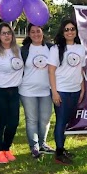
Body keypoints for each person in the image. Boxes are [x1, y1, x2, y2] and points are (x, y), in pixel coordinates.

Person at [48, 18, 86, 165]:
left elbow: (80, 70)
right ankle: (59, 152)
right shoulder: (56, 49)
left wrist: (82, 88)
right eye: (67, 29)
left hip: (75, 90)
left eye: (72, 29)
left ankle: (62, 149)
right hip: (61, 90)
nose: (70, 32)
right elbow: (51, 71)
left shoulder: (80, 48)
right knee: (61, 121)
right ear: (62, 32)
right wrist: (55, 92)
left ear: (76, 32)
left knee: (67, 121)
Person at [0, 22, 24, 164]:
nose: (7, 35)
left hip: (14, 92)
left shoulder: (18, 51)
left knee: (13, 123)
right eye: (3, 33)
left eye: (9, 33)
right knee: (0, 123)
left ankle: (6, 148)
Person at [20, 23, 55, 159]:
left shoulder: (51, 48)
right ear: (29, 34)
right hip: (27, 90)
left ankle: (43, 144)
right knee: (32, 119)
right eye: (33, 32)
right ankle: (34, 147)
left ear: (42, 32)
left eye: (38, 31)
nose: (36, 34)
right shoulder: (24, 50)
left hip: (46, 90)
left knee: (45, 119)